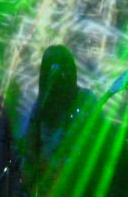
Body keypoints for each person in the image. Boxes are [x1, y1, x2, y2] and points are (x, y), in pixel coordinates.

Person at [20, 45, 102, 197]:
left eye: (62, 64)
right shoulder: (42, 103)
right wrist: (31, 169)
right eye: (51, 65)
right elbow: (30, 141)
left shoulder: (85, 100)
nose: (56, 71)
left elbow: (97, 143)